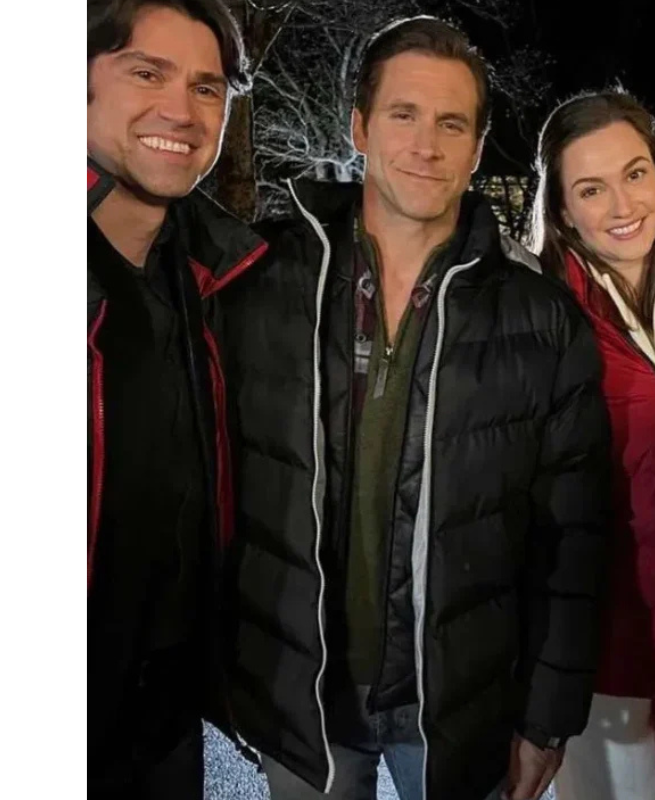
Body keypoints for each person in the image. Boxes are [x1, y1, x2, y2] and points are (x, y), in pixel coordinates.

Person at [219, 17, 612, 800]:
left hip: (465, 704)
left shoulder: (541, 319)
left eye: (451, 123)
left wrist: (547, 718)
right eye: (403, 114)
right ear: (360, 127)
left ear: (478, 147)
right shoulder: (258, 280)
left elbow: (574, 538)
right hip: (301, 697)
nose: (426, 145)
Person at [87, 1, 266, 797]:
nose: (181, 111)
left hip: (166, 715)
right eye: (146, 73)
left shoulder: (214, 275)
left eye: (206, 87)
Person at [530, 89, 655, 800]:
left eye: (635, 174)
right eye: (591, 188)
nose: (622, 205)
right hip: (611, 667)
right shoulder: (539, 316)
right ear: (562, 209)